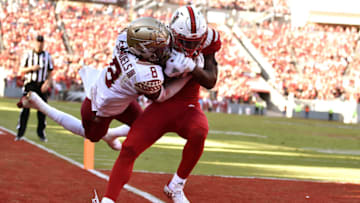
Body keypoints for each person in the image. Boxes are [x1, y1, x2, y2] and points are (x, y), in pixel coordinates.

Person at [101, 5, 221, 203]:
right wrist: (163, 74)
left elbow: (210, 80)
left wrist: (192, 67)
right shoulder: (156, 39)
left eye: (195, 42)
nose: (191, 48)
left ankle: (176, 185)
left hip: (187, 104)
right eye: (185, 42)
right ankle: (108, 200)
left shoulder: (209, 39)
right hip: (160, 103)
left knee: (200, 130)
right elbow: (149, 87)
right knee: (130, 148)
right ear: (173, 34)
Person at [19, 17, 194, 150]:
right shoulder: (145, 74)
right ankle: (39, 104)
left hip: (117, 94)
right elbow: (163, 95)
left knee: (147, 126)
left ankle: (110, 135)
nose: (165, 51)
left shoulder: (125, 39)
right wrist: (190, 74)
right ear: (145, 51)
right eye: (159, 48)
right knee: (92, 136)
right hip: (99, 107)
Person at [15, 35, 53, 142]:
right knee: (25, 109)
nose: (39, 44)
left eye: (41, 42)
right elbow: (21, 69)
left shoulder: (47, 56)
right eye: (37, 42)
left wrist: (47, 83)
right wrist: (32, 68)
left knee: (42, 110)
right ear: (34, 43)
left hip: (41, 85)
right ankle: (20, 133)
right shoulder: (28, 54)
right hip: (30, 84)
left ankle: (41, 133)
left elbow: (50, 72)